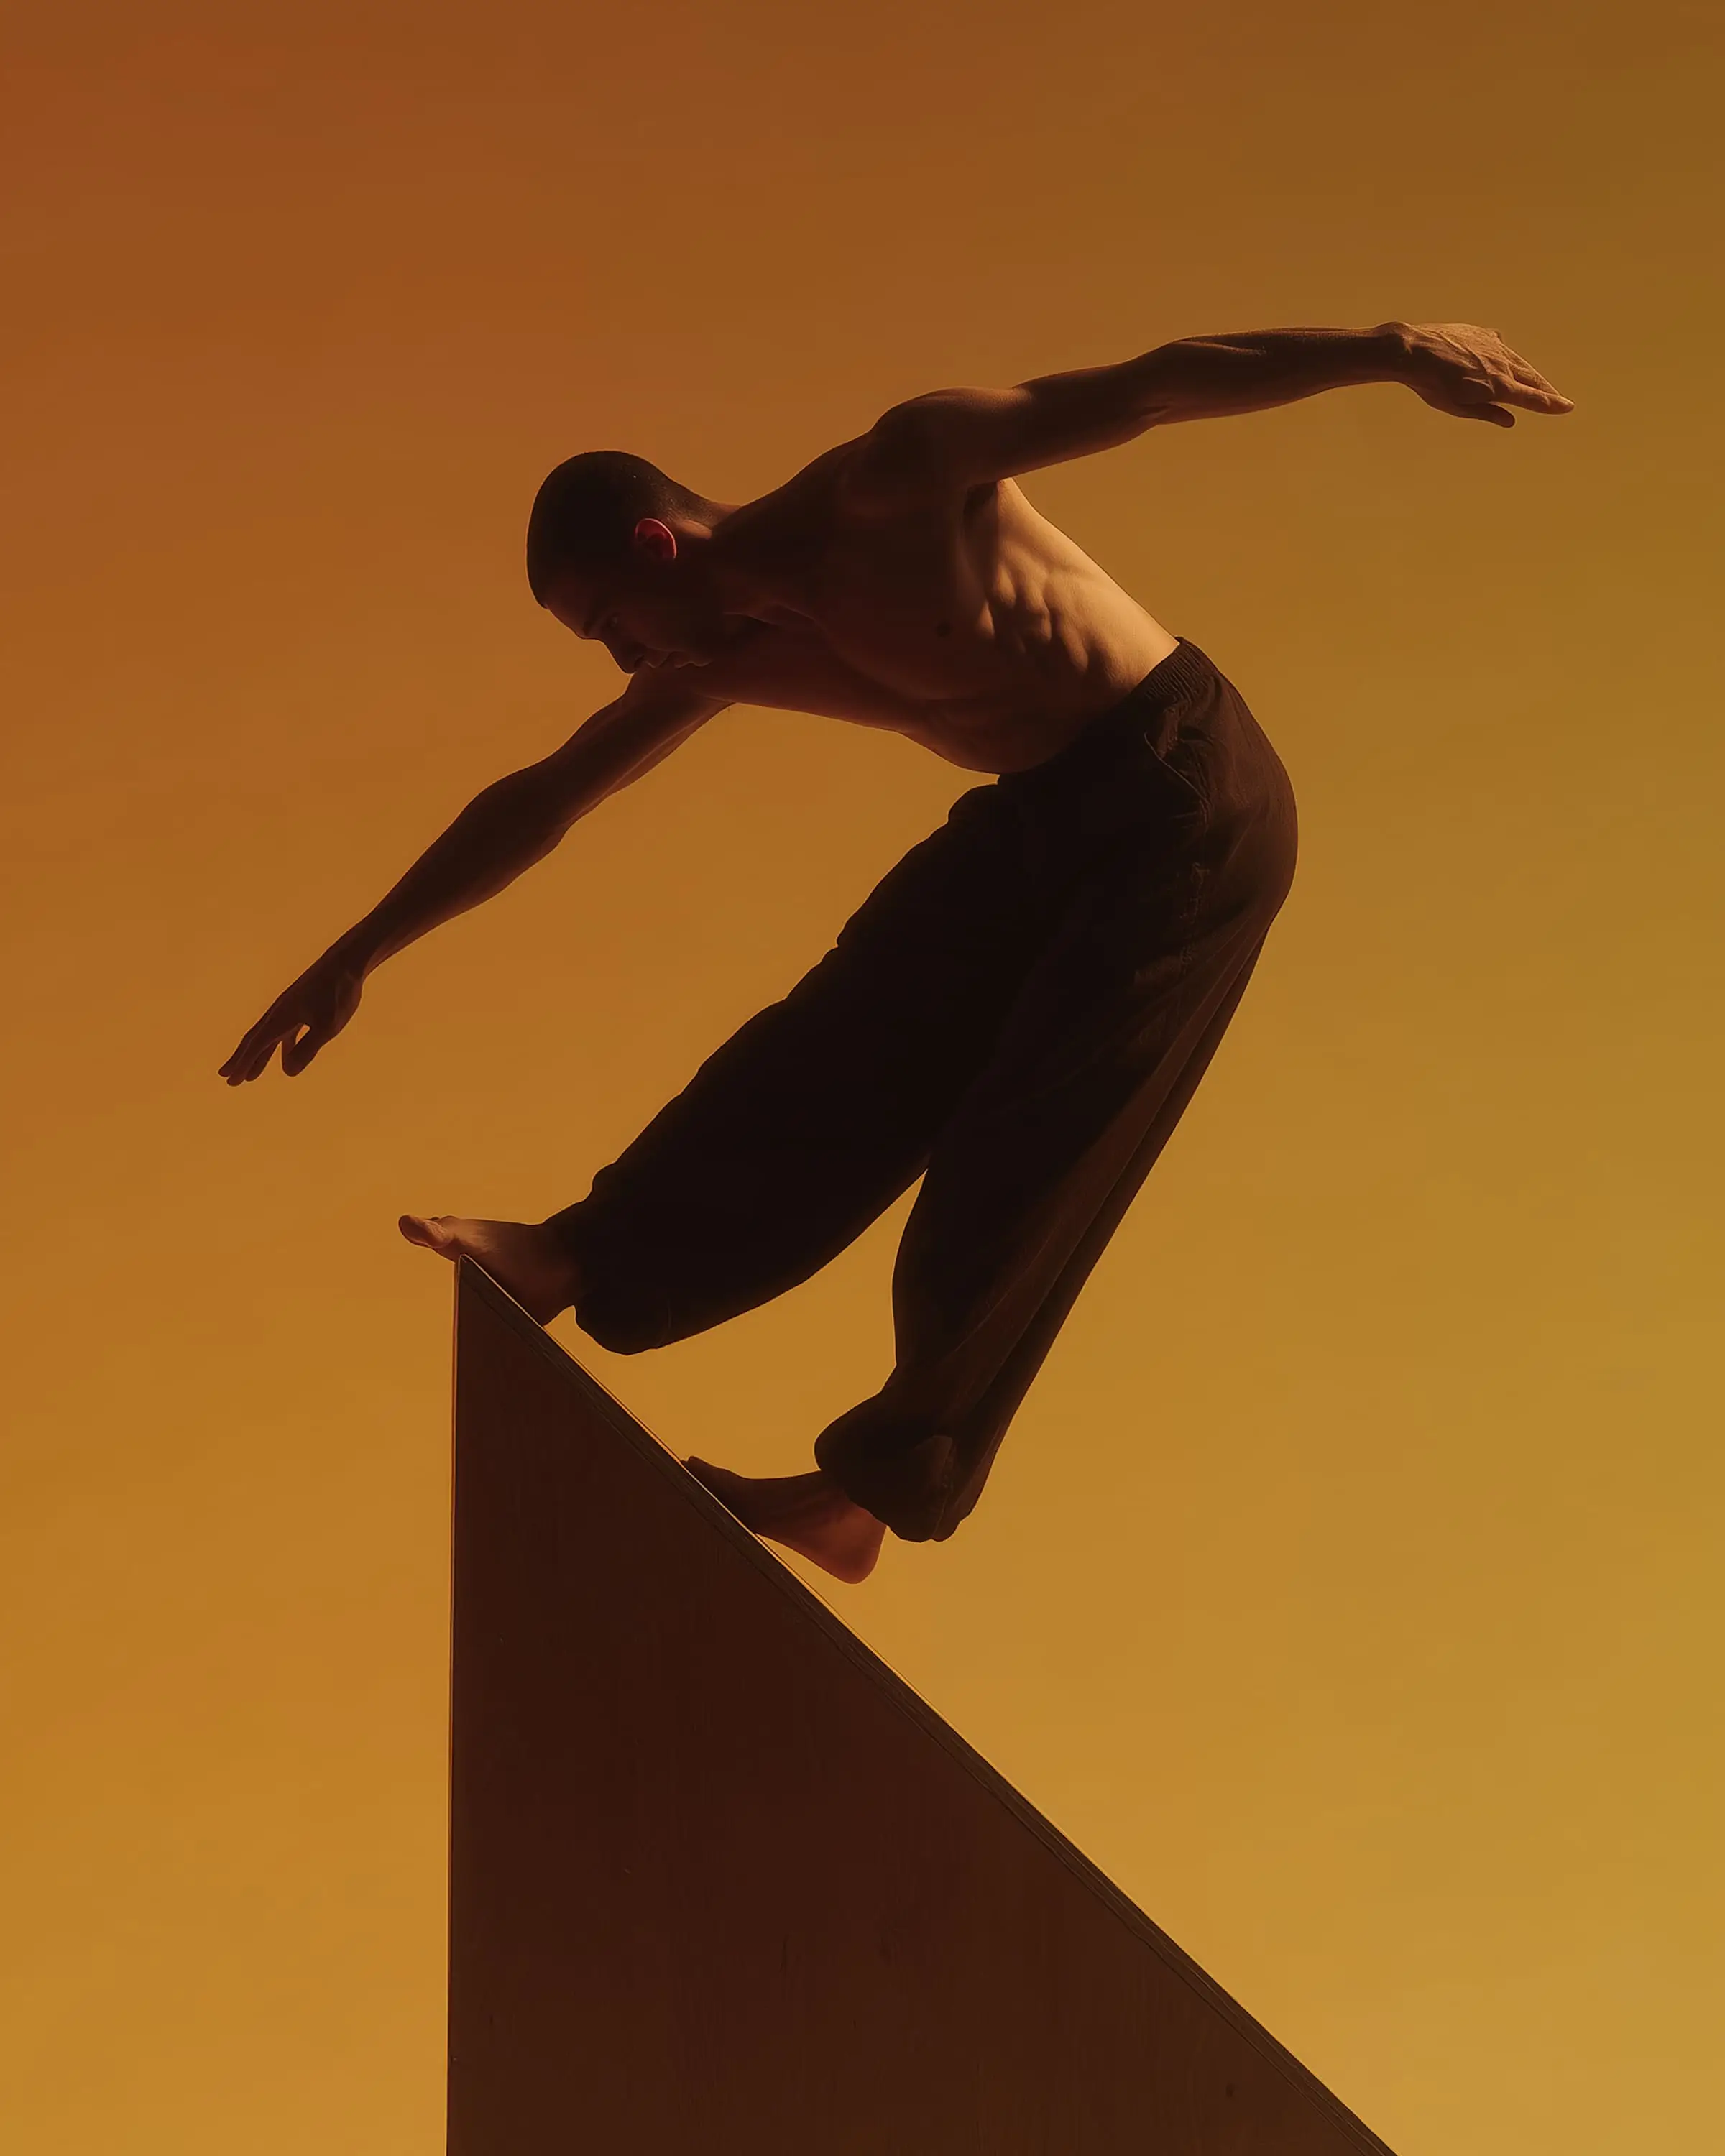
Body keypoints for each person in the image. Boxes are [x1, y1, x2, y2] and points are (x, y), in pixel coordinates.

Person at [221, 321, 1572, 1582]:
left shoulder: (892, 484)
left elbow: (1146, 388)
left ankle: (873, 1487)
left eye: (608, 623)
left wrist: (1389, 350)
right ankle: (583, 1256)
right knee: (835, 1035)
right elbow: (546, 796)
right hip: (1041, 809)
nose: (620, 659)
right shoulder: (713, 663)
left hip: (1184, 788)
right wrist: (361, 946)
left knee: (1024, 1143)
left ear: (657, 541)